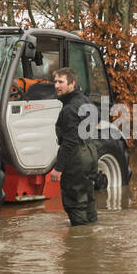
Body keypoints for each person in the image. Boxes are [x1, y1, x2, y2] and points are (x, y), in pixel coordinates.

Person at [52, 67, 98, 226]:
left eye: (61, 82)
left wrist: (58, 168)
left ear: (72, 84)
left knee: (75, 204)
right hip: (91, 154)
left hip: (77, 159)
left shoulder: (69, 108)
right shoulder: (86, 101)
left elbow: (70, 142)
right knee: (88, 200)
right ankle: (91, 233)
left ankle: (81, 243)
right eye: (55, 82)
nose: (57, 86)